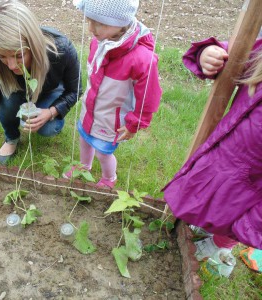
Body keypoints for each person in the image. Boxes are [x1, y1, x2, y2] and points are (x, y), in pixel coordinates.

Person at [162, 33, 262, 264]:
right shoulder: (259, 55)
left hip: (252, 186)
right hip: (225, 156)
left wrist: (248, 228)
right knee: (209, 201)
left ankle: (216, 246)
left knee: (231, 223)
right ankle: (200, 226)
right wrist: (208, 54)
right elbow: (234, 56)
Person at [0, 0, 81, 204]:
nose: (12, 64)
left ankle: (46, 117)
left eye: (19, 55)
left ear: (32, 43)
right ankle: (12, 138)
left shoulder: (61, 49)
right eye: (3, 57)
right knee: (6, 109)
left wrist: (50, 112)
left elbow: (75, 90)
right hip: (15, 91)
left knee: (48, 129)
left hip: (48, 90)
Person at [66, 0, 162, 188]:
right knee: (84, 139)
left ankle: (109, 178)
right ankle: (84, 166)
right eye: (89, 21)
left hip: (112, 118)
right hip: (91, 108)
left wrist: (135, 123)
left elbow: (148, 97)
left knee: (103, 151)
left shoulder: (142, 59)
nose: (92, 29)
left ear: (121, 22)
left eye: (100, 23)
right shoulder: (99, 42)